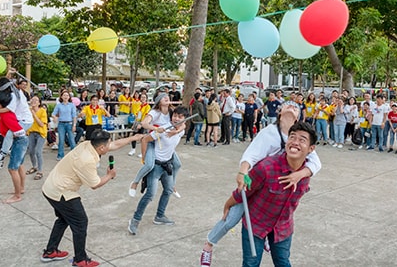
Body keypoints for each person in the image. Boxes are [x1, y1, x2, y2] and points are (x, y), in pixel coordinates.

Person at [199, 102, 322, 267]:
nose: (292, 107)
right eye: (288, 105)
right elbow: (250, 154)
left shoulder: (301, 137)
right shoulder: (269, 133)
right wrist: (242, 172)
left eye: (295, 107)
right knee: (232, 217)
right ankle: (209, 245)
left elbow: (315, 164)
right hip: (256, 180)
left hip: (277, 187)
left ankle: (266, 237)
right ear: (279, 113)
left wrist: (298, 175)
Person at [41, 130, 143, 266]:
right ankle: (80, 260)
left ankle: (50, 251)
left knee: (63, 219)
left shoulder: (88, 144)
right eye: (108, 144)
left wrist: (134, 138)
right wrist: (109, 176)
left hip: (51, 186)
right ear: (102, 147)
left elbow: (114, 144)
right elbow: (95, 184)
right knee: (80, 222)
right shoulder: (87, 160)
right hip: (62, 191)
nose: (110, 145)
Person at [223, 122, 316, 267]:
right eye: (292, 137)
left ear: (311, 149)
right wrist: (228, 204)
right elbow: (245, 190)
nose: (295, 142)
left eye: (302, 140)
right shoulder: (266, 167)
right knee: (251, 263)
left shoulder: (306, 174)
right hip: (256, 225)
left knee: (283, 262)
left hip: (283, 227)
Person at [127, 106, 189, 235]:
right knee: (150, 194)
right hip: (155, 166)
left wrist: (177, 131)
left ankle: (159, 216)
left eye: (180, 117)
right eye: (175, 115)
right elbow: (145, 140)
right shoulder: (163, 129)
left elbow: (182, 127)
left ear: (184, 119)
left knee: (168, 190)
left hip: (167, 165)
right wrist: (144, 158)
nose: (176, 118)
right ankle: (135, 220)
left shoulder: (181, 130)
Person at [128, 93, 185, 197]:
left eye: (167, 96)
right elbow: (144, 124)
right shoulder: (154, 112)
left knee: (177, 164)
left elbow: (183, 123)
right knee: (149, 165)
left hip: (164, 143)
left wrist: (176, 132)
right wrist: (156, 128)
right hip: (152, 141)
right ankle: (135, 182)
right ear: (158, 101)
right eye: (163, 97)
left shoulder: (172, 112)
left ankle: (172, 185)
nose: (166, 97)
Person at [0, 87, 30, 204]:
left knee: (12, 168)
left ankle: (17, 195)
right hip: (20, 140)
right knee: (19, 165)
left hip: (19, 141)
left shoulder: (7, 115)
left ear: (0, 102)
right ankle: (21, 188)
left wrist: (12, 136)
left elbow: (18, 130)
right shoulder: (6, 112)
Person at [0, 69, 34, 167]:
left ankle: (3, 154)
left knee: (9, 134)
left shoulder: (13, 95)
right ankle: (4, 151)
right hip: (20, 119)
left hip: (26, 121)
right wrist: (9, 73)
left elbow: (9, 109)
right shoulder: (14, 90)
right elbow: (6, 82)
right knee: (8, 134)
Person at [26, 96, 48, 180]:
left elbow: (41, 124)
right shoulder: (28, 110)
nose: (34, 101)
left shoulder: (42, 111)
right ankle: (34, 166)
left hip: (41, 133)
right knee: (31, 151)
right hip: (31, 132)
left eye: (36, 100)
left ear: (39, 103)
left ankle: (40, 171)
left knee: (38, 152)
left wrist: (34, 114)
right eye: (32, 100)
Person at [52, 90, 78, 161]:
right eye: (64, 95)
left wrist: (74, 125)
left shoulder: (72, 105)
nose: (65, 97)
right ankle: (60, 155)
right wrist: (55, 118)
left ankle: (74, 155)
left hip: (70, 123)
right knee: (61, 140)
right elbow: (53, 113)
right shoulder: (59, 105)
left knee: (72, 140)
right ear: (61, 97)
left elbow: (74, 116)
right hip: (61, 124)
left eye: (67, 95)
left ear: (69, 97)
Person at [129, 93, 151, 157]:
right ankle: (133, 149)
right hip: (138, 123)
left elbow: (146, 116)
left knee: (143, 138)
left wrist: (141, 124)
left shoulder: (148, 107)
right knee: (134, 136)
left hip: (144, 123)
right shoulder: (139, 106)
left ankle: (143, 152)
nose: (143, 99)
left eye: (144, 97)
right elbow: (138, 116)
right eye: (142, 97)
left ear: (146, 99)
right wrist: (134, 124)